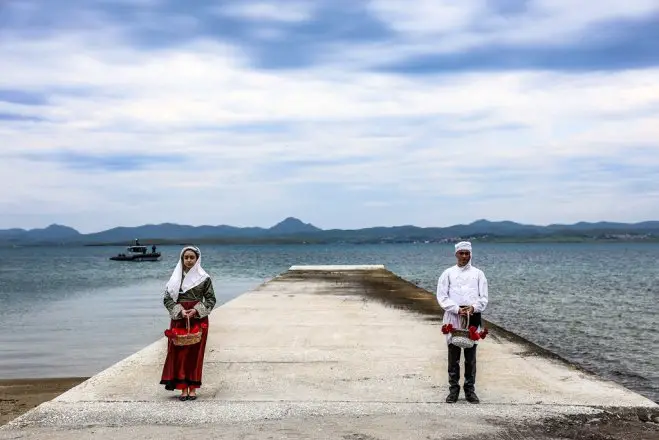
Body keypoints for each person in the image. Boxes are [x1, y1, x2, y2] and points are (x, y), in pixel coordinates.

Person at [160, 246, 216, 400]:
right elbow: (167, 299)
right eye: (186, 257)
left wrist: (196, 311)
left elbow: (211, 299)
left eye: (192, 257)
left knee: (195, 354)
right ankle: (182, 388)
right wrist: (180, 311)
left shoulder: (204, 278)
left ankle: (193, 388)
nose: (189, 260)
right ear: (182, 259)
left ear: (197, 259)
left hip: (198, 318)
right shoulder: (175, 279)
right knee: (179, 354)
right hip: (179, 318)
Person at [436, 241, 488, 404]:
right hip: (453, 317)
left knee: (470, 357)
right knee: (453, 356)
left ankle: (469, 390)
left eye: (467, 253)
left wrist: (473, 308)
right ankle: (453, 390)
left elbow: (484, 298)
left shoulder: (479, 274)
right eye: (461, 253)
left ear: (470, 254)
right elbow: (442, 297)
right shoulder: (448, 273)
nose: (464, 256)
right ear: (456, 254)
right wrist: (457, 309)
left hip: (472, 317)